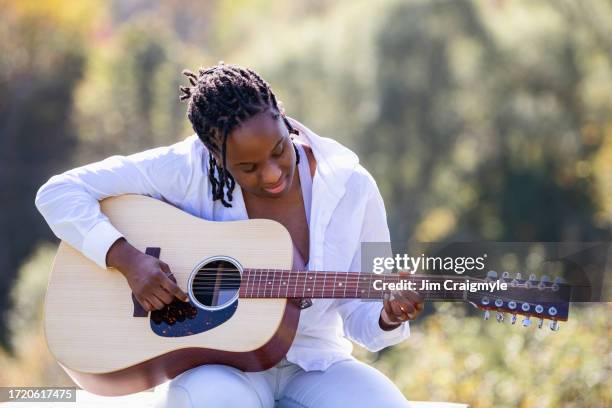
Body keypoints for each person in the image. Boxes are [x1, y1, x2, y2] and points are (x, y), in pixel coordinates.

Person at [35, 62, 424, 407]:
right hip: (216, 366)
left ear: (283, 118)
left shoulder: (350, 185)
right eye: (248, 166)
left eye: (278, 150)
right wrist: (127, 259)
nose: (271, 173)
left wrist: (388, 314)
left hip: (315, 362)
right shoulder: (187, 168)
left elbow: (364, 318)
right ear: (214, 155)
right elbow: (58, 192)